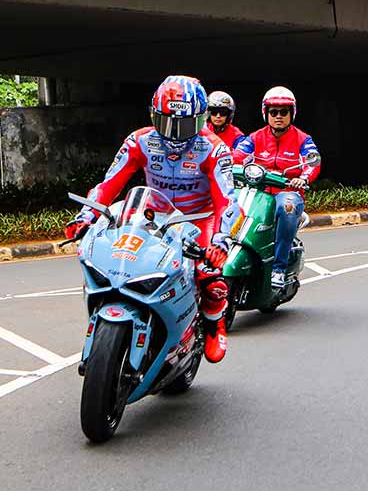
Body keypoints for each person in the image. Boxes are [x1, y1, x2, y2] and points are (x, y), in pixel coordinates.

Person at [64, 76, 240, 363]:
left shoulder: (215, 148)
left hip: (198, 220)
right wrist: (87, 214)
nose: (174, 134)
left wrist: (221, 240)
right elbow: (109, 185)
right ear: (153, 116)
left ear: (200, 119)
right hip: (150, 215)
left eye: (184, 125)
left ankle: (213, 323)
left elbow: (227, 201)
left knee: (212, 277)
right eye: (167, 122)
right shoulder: (139, 140)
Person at [234, 87, 321, 290]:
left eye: (284, 112)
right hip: (258, 193)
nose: (278, 116)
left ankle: (279, 269)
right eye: (274, 112)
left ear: (292, 113)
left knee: (288, 207)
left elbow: (312, 162)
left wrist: (303, 177)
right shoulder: (255, 138)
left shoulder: (303, 139)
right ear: (266, 114)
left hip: (287, 193)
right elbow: (237, 156)